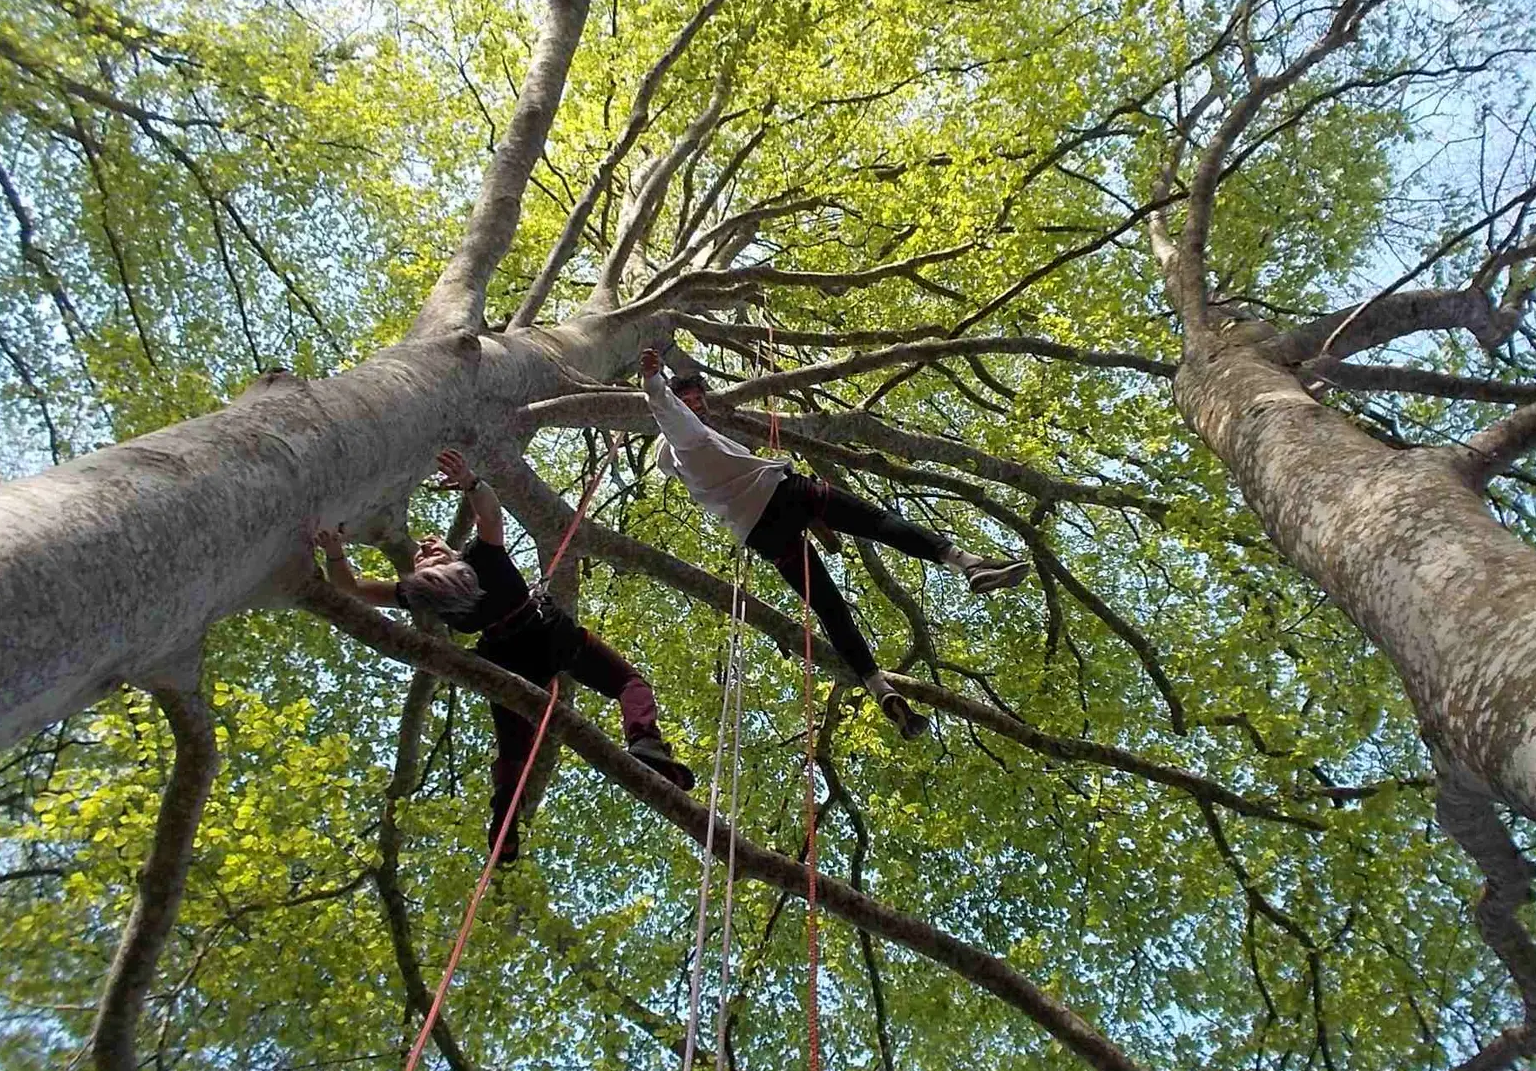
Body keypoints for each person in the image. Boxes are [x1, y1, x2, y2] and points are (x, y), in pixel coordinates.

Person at [307, 449, 693, 863]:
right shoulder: (475, 562)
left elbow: (351, 589)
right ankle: (644, 741)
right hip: (546, 633)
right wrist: (470, 482)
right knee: (630, 684)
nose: (426, 547)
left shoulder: (421, 594)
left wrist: (335, 552)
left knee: (514, 750)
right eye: (425, 553)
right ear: (443, 562)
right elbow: (490, 515)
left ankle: (506, 814)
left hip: (504, 658)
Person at [639, 346, 1030, 739]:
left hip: (761, 533)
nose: (697, 407)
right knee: (878, 522)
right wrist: (653, 379)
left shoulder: (692, 468)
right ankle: (968, 563)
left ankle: (878, 686)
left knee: (829, 607)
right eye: (690, 401)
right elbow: (665, 408)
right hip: (787, 494)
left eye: (700, 400)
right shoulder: (686, 437)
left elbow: (680, 421)